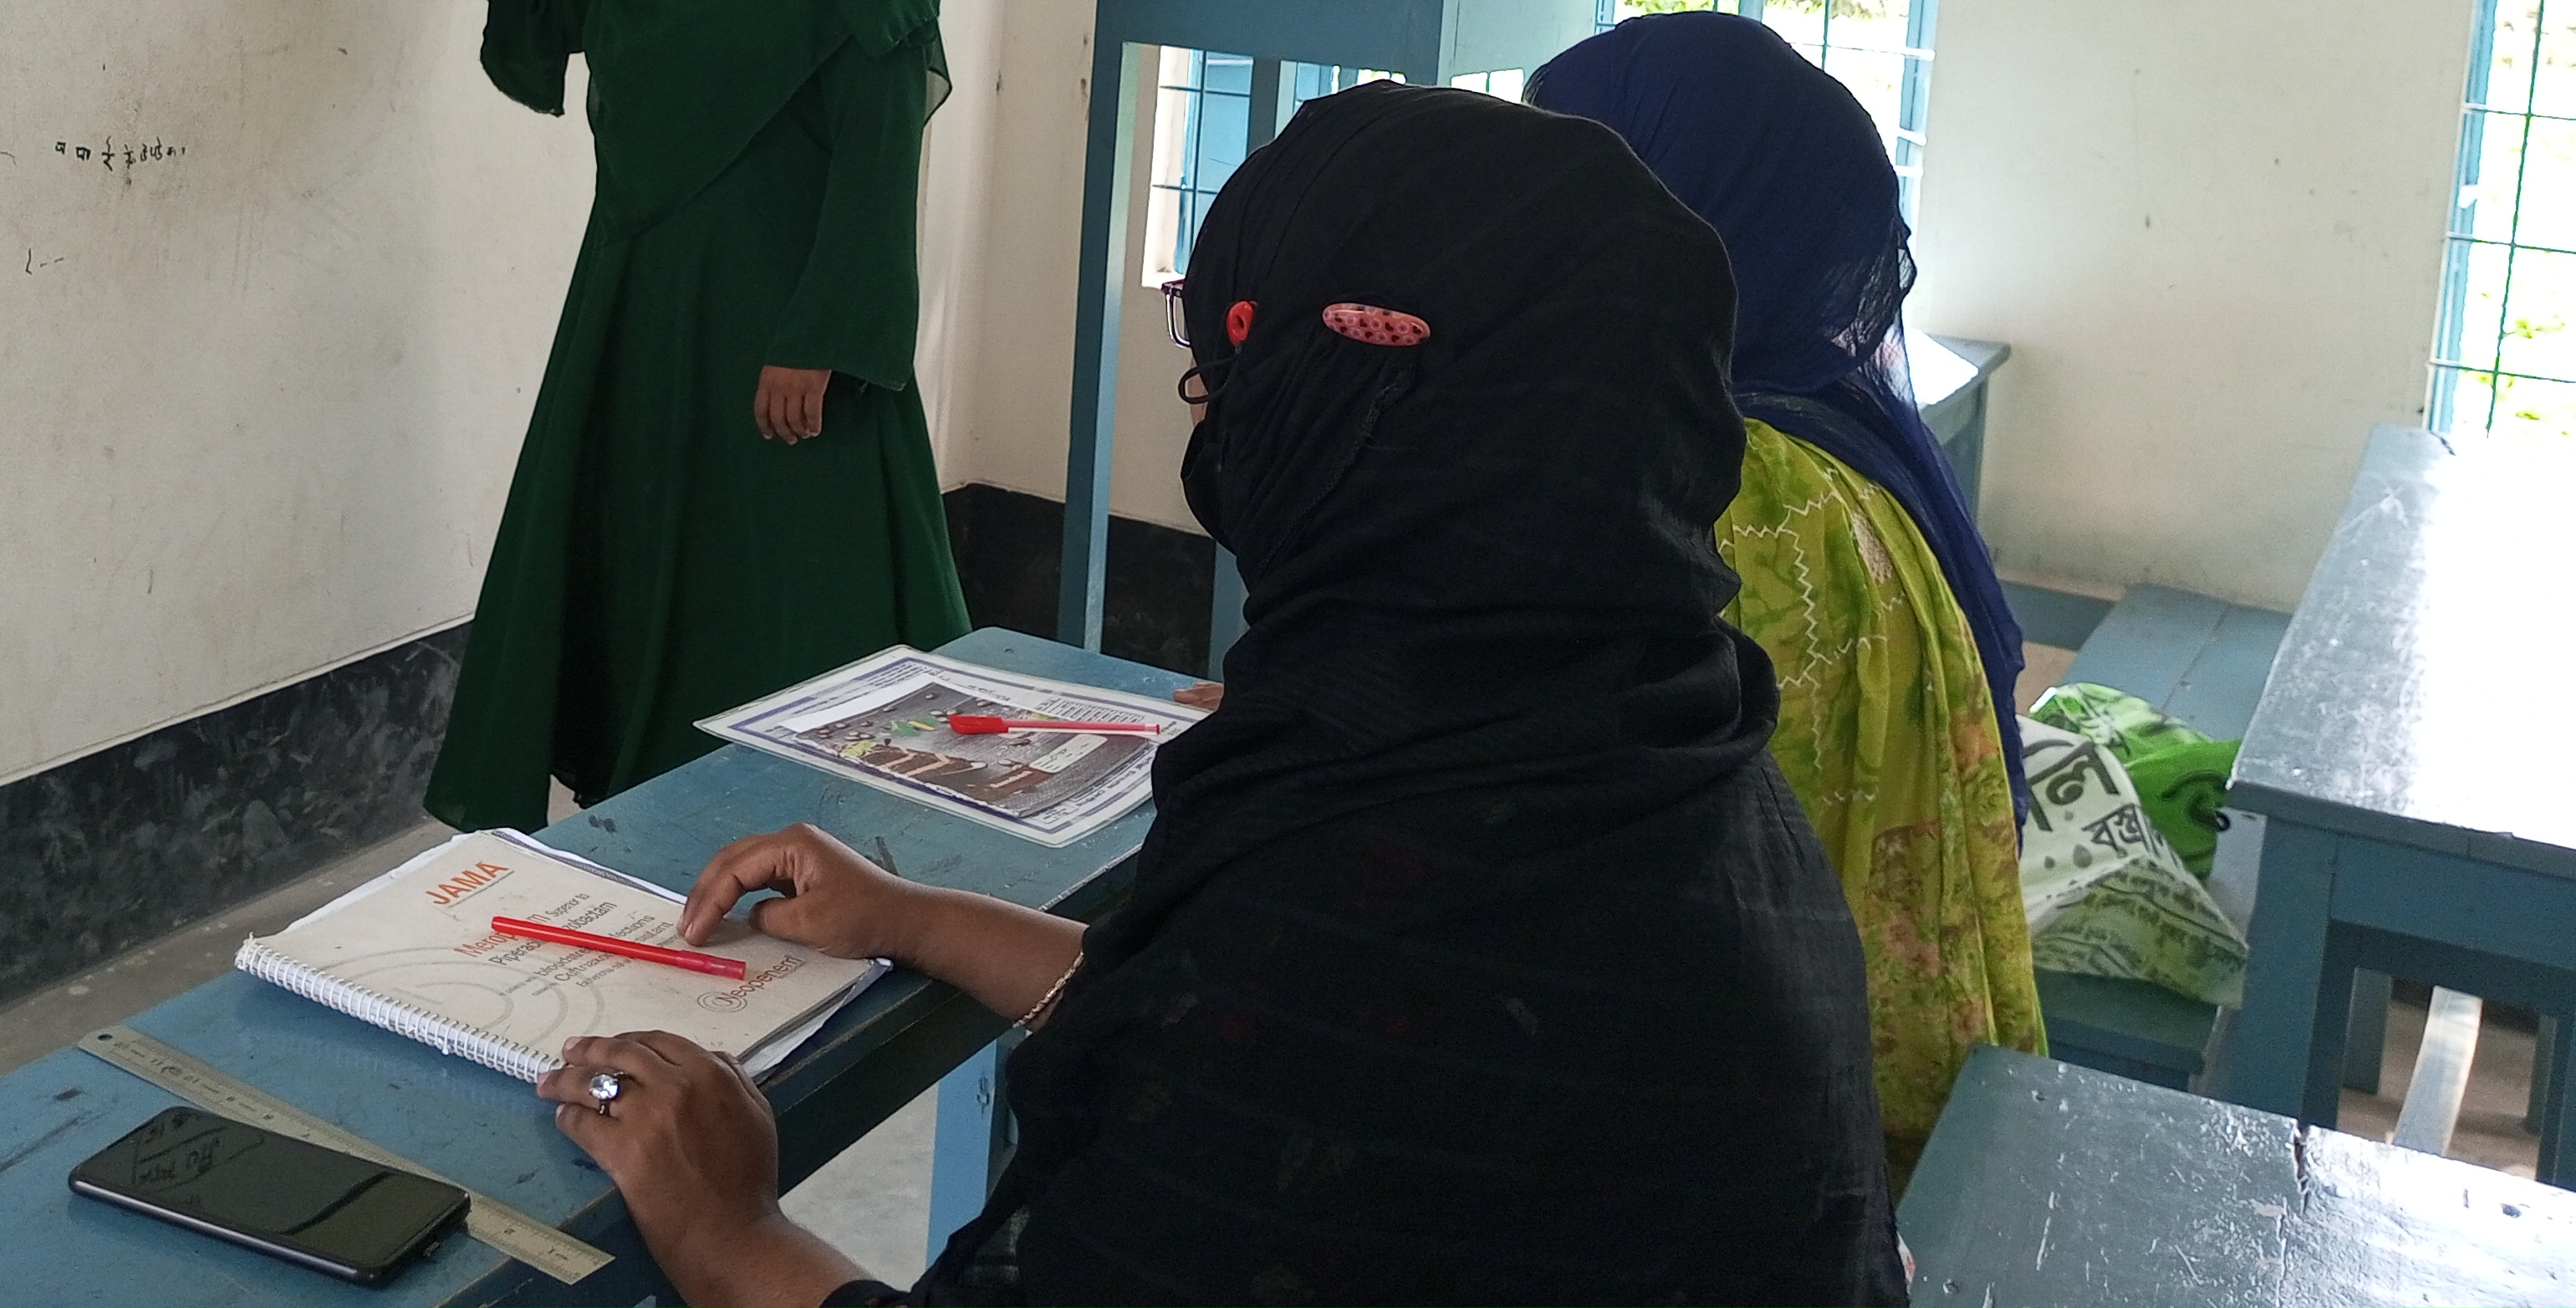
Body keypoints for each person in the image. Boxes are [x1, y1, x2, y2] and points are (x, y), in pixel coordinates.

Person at [532, 82, 1907, 1307]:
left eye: (1231, 373)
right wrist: (914, 916)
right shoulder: (1643, 734)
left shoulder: (1380, 882)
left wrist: (728, 1230)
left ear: (1353, 410)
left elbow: (1301, 1024)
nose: (1204, 410)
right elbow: (1241, 1025)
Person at [407, 0, 970, 829]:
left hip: (782, 331)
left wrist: (820, 338)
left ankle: (814, 847)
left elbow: (880, 169)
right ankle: (648, 827)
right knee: (642, 566)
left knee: (780, 601)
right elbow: (550, 4)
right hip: (644, 310)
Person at [1525, 10, 2043, 1184]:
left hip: (1755, 1138)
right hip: (1871, 1094)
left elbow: (1595, 853)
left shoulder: (1724, 490)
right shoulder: (1821, 444)